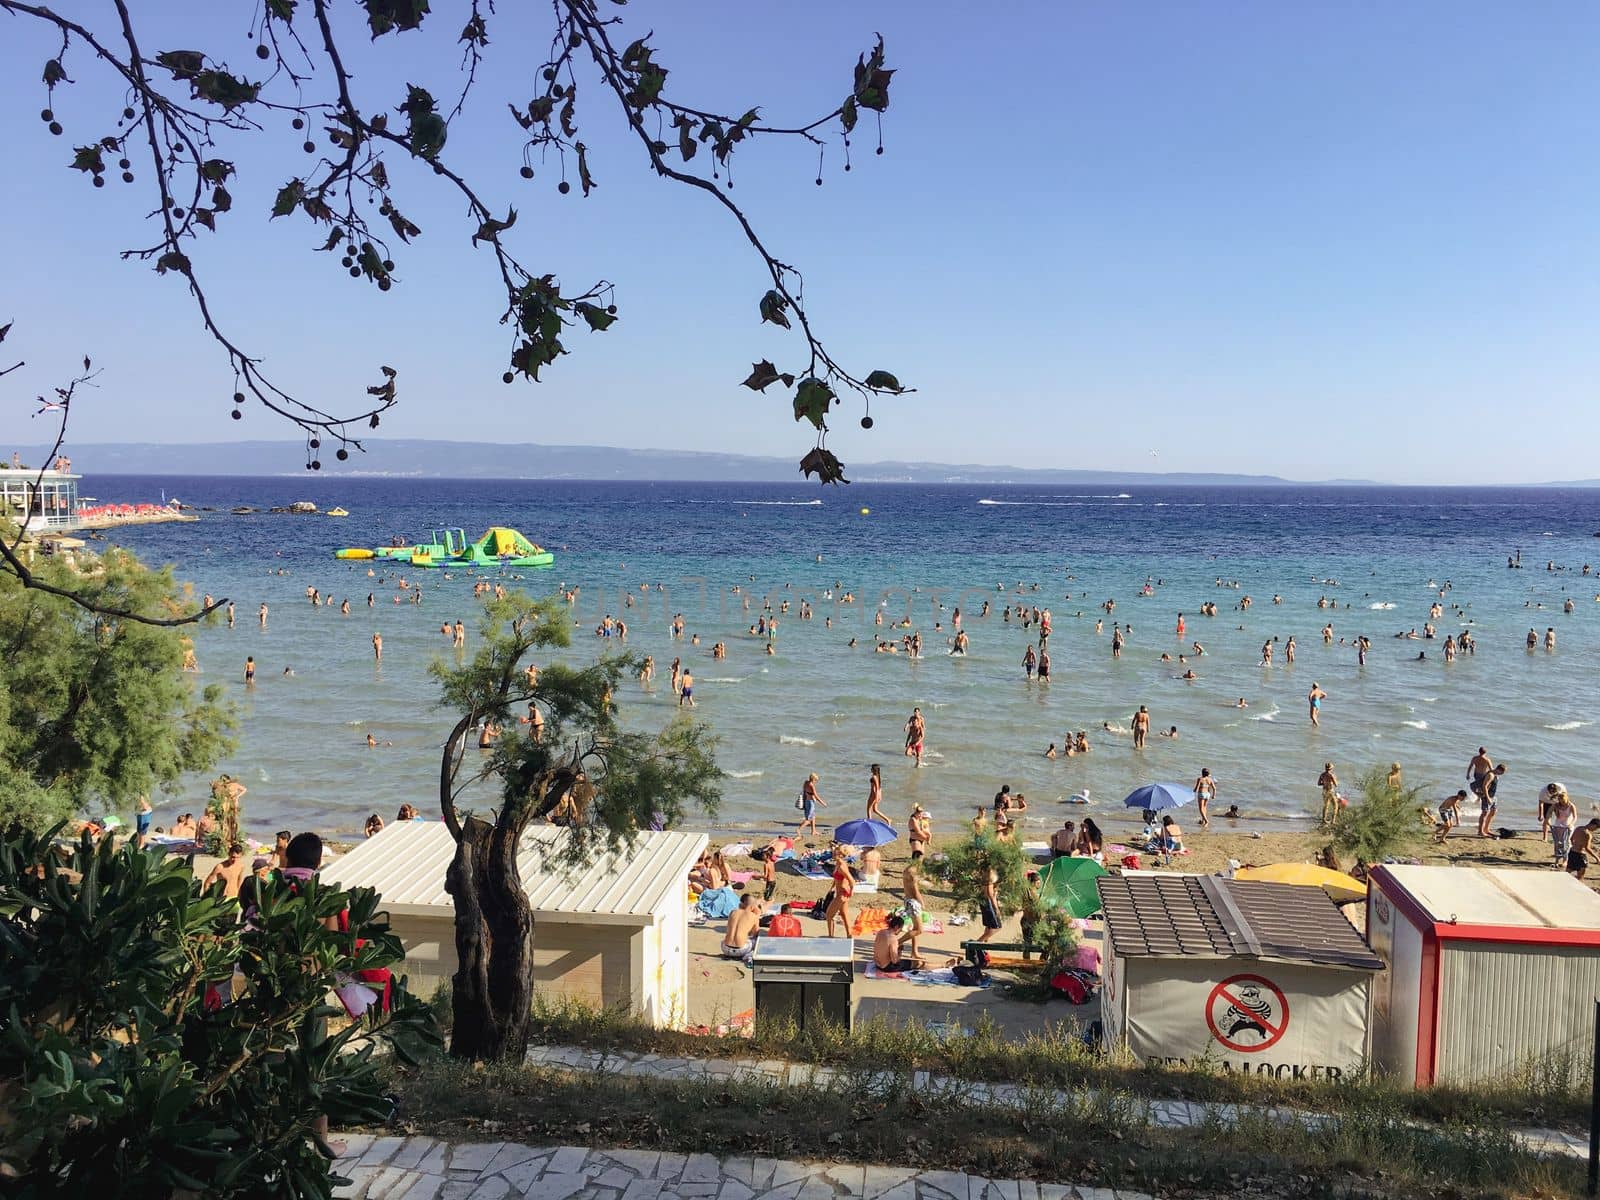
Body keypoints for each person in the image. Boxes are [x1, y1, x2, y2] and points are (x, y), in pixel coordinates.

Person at [825, 844, 855, 938]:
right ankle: (849, 936)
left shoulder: (842, 866)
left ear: (841, 855)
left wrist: (851, 891)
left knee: (829, 915)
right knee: (844, 915)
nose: (833, 853)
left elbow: (852, 880)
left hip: (842, 894)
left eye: (836, 852)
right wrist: (832, 887)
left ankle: (830, 937)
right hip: (841, 892)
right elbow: (837, 878)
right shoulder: (838, 863)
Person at [722, 894, 761, 964]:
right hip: (742, 950)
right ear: (754, 906)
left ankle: (730, 955)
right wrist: (757, 915)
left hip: (725, 948)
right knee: (756, 940)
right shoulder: (753, 916)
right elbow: (755, 933)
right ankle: (747, 955)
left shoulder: (733, 912)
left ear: (741, 904)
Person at [901, 855, 926, 958]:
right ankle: (897, 943)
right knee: (919, 930)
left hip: (908, 900)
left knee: (914, 928)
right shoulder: (912, 872)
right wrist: (922, 903)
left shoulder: (907, 869)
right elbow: (915, 892)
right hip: (913, 901)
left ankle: (914, 952)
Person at [1476, 762, 1507, 838]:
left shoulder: (1495, 774)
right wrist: (1487, 798)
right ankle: (1480, 831)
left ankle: (1486, 829)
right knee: (1484, 813)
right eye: (1503, 772)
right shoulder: (1490, 775)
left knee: (1493, 811)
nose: (1503, 774)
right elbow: (1484, 786)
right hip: (1487, 797)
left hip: (1493, 797)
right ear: (1499, 770)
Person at [1550, 790, 1577, 868]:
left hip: (1567, 826)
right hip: (1558, 825)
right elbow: (1549, 813)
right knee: (1557, 843)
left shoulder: (1571, 806)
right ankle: (1557, 859)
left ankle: (1565, 860)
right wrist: (1548, 821)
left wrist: (1571, 824)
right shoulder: (1556, 805)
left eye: (1563, 800)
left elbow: (1575, 817)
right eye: (1560, 800)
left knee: (1566, 842)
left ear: (1566, 798)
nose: (1561, 802)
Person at [977, 864, 1003, 944]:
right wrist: (997, 909)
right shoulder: (989, 881)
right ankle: (977, 943)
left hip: (984, 902)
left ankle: (982, 944)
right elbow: (990, 895)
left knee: (989, 926)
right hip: (988, 903)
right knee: (996, 927)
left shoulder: (985, 879)